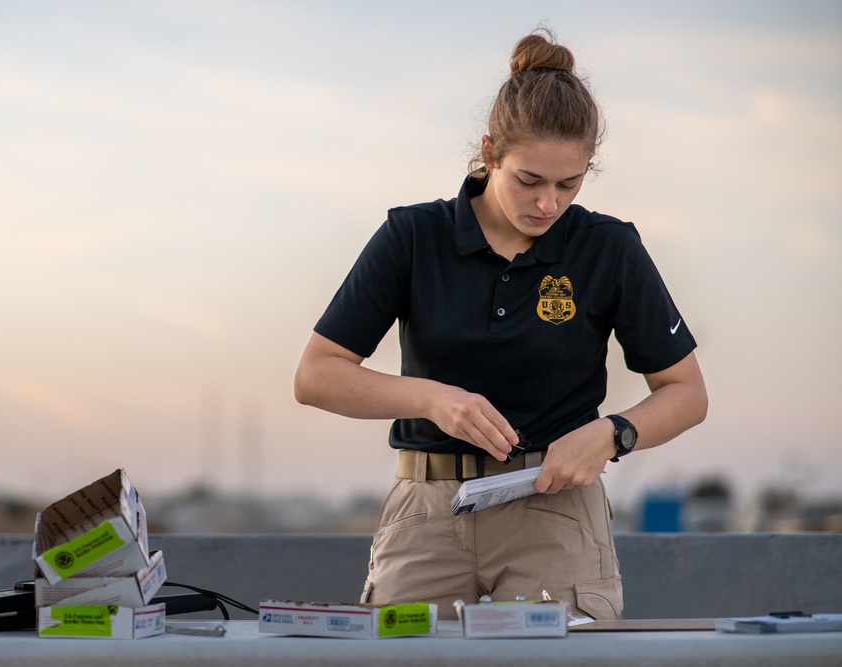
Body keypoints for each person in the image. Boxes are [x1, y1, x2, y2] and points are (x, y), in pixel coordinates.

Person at [293, 30, 707, 621]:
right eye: (530, 181)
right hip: (427, 513)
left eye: (570, 183)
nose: (549, 205)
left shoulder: (608, 247)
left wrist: (613, 433)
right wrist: (433, 400)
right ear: (490, 153)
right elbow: (315, 376)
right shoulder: (413, 237)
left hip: (556, 510)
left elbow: (687, 393)